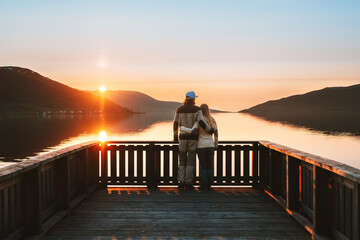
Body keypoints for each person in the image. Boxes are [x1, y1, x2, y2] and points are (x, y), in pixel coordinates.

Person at [173, 91, 212, 191]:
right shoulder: (197, 109)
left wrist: (175, 137)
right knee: (190, 161)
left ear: (186, 99)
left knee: (181, 161)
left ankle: (181, 183)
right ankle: (188, 182)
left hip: (182, 139)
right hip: (193, 139)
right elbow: (201, 122)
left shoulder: (179, 109)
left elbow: (175, 123)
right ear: (193, 99)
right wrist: (210, 130)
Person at [180, 104, 218, 191]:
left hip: (201, 146)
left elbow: (193, 131)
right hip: (210, 145)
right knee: (209, 166)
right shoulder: (212, 120)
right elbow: (216, 134)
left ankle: (204, 184)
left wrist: (182, 128)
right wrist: (216, 144)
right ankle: (209, 184)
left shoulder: (198, 120)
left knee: (203, 166)